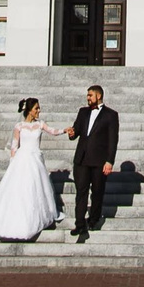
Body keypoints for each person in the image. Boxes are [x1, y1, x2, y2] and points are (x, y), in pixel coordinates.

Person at [0, 97, 62, 242]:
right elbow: (14, 145)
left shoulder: (40, 124)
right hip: (22, 160)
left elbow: (53, 131)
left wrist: (65, 130)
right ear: (29, 110)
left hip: (35, 160)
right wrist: (13, 162)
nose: (39, 110)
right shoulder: (19, 126)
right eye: (36, 108)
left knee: (34, 188)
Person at [62, 83, 121, 242]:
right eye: (87, 95)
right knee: (81, 192)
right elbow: (76, 132)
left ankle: (94, 219)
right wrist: (72, 133)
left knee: (97, 191)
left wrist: (109, 161)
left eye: (90, 95)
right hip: (81, 159)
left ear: (98, 96)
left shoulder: (111, 115)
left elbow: (113, 140)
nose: (87, 98)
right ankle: (80, 223)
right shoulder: (83, 112)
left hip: (99, 161)